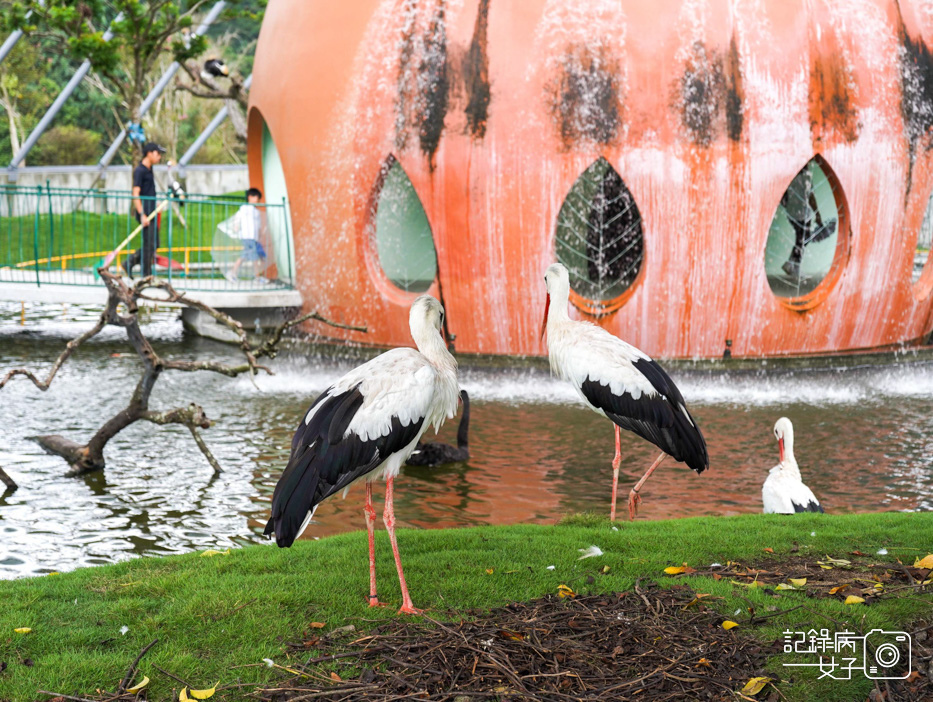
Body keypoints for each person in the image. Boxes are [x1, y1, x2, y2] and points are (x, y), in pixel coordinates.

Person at [125, 142, 165, 278]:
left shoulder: (149, 170)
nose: (159, 157)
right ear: (149, 153)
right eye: (157, 154)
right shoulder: (140, 171)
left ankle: (130, 262)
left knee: (154, 244)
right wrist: (142, 214)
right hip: (145, 213)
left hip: (152, 211)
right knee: (150, 244)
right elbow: (135, 193)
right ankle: (146, 275)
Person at [225, 187, 269, 282]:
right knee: (252, 257)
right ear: (250, 197)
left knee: (246, 256)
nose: (258, 200)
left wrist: (259, 234)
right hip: (247, 237)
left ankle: (233, 272)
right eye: (257, 197)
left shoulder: (255, 211)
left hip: (253, 237)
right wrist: (236, 226)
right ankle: (255, 277)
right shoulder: (245, 208)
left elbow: (258, 225)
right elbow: (238, 217)